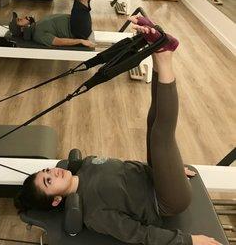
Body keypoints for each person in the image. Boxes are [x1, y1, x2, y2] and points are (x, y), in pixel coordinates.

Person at [14, 16, 222, 245]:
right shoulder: (93, 214)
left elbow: (129, 171)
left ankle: (157, 51)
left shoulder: (88, 164)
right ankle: (164, 56)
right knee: (162, 137)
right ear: (55, 201)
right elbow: (140, 235)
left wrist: (169, 169)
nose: (53, 173)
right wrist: (189, 242)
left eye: (47, 172)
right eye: (48, 182)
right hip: (166, 200)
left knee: (153, 123)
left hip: (158, 178)